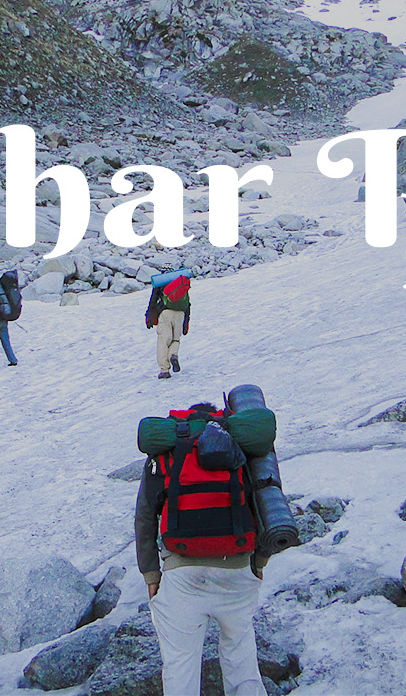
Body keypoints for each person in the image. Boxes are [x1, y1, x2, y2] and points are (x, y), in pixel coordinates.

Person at [135, 401, 268, 696]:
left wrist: (151, 574)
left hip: (182, 575)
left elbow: (145, 516)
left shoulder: (170, 451)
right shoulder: (237, 445)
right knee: (241, 660)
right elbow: (263, 505)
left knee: (180, 665)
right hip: (236, 571)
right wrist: (259, 562)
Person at [145, 274, 191, 379]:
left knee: (163, 341)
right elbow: (187, 303)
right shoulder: (180, 282)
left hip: (165, 313)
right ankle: (173, 355)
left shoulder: (160, 282)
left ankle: (164, 370)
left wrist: (149, 316)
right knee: (175, 339)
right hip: (180, 314)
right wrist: (186, 322)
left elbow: (153, 301)